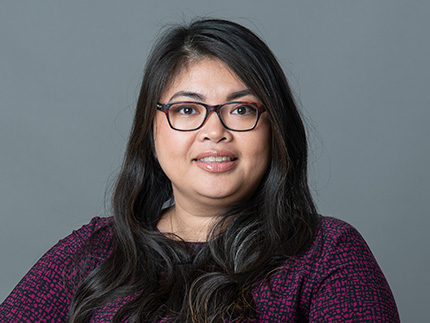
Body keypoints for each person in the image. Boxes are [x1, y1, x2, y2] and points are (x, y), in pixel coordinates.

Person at [0, 18, 400, 322]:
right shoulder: (94, 251)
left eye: (241, 109)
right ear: (151, 129)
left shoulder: (327, 254)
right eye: (187, 109)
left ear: (275, 128)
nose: (214, 131)